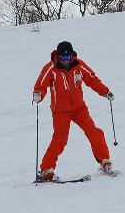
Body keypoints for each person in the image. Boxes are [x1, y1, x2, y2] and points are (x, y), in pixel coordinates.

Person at [33, 41, 115, 181]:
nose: (65, 60)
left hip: (78, 108)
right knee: (60, 139)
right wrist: (38, 94)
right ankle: (46, 170)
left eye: (68, 57)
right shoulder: (50, 68)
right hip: (60, 111)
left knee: (94, 132)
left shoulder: (79, 65)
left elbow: (92, 80)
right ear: (58, 56)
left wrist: (105, 92)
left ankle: (105, 160)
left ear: (72, 55)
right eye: (62, 57)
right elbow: (41, 84)